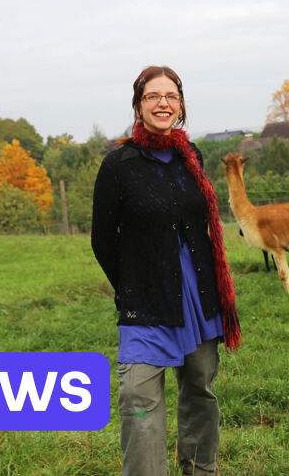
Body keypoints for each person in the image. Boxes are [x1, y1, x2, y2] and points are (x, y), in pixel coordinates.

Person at [91, 65, 241, 476]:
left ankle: (201, 470)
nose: (163, 103)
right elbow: (102, 240)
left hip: (200, 298)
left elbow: (201, 226)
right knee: (139, 401)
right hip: (146, 302)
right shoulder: (118, 165)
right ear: (138, 105)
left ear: (181, 105)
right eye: (153, 96)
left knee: (200, 393)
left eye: (171, 96)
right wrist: (131, 286)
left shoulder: (190, 155)